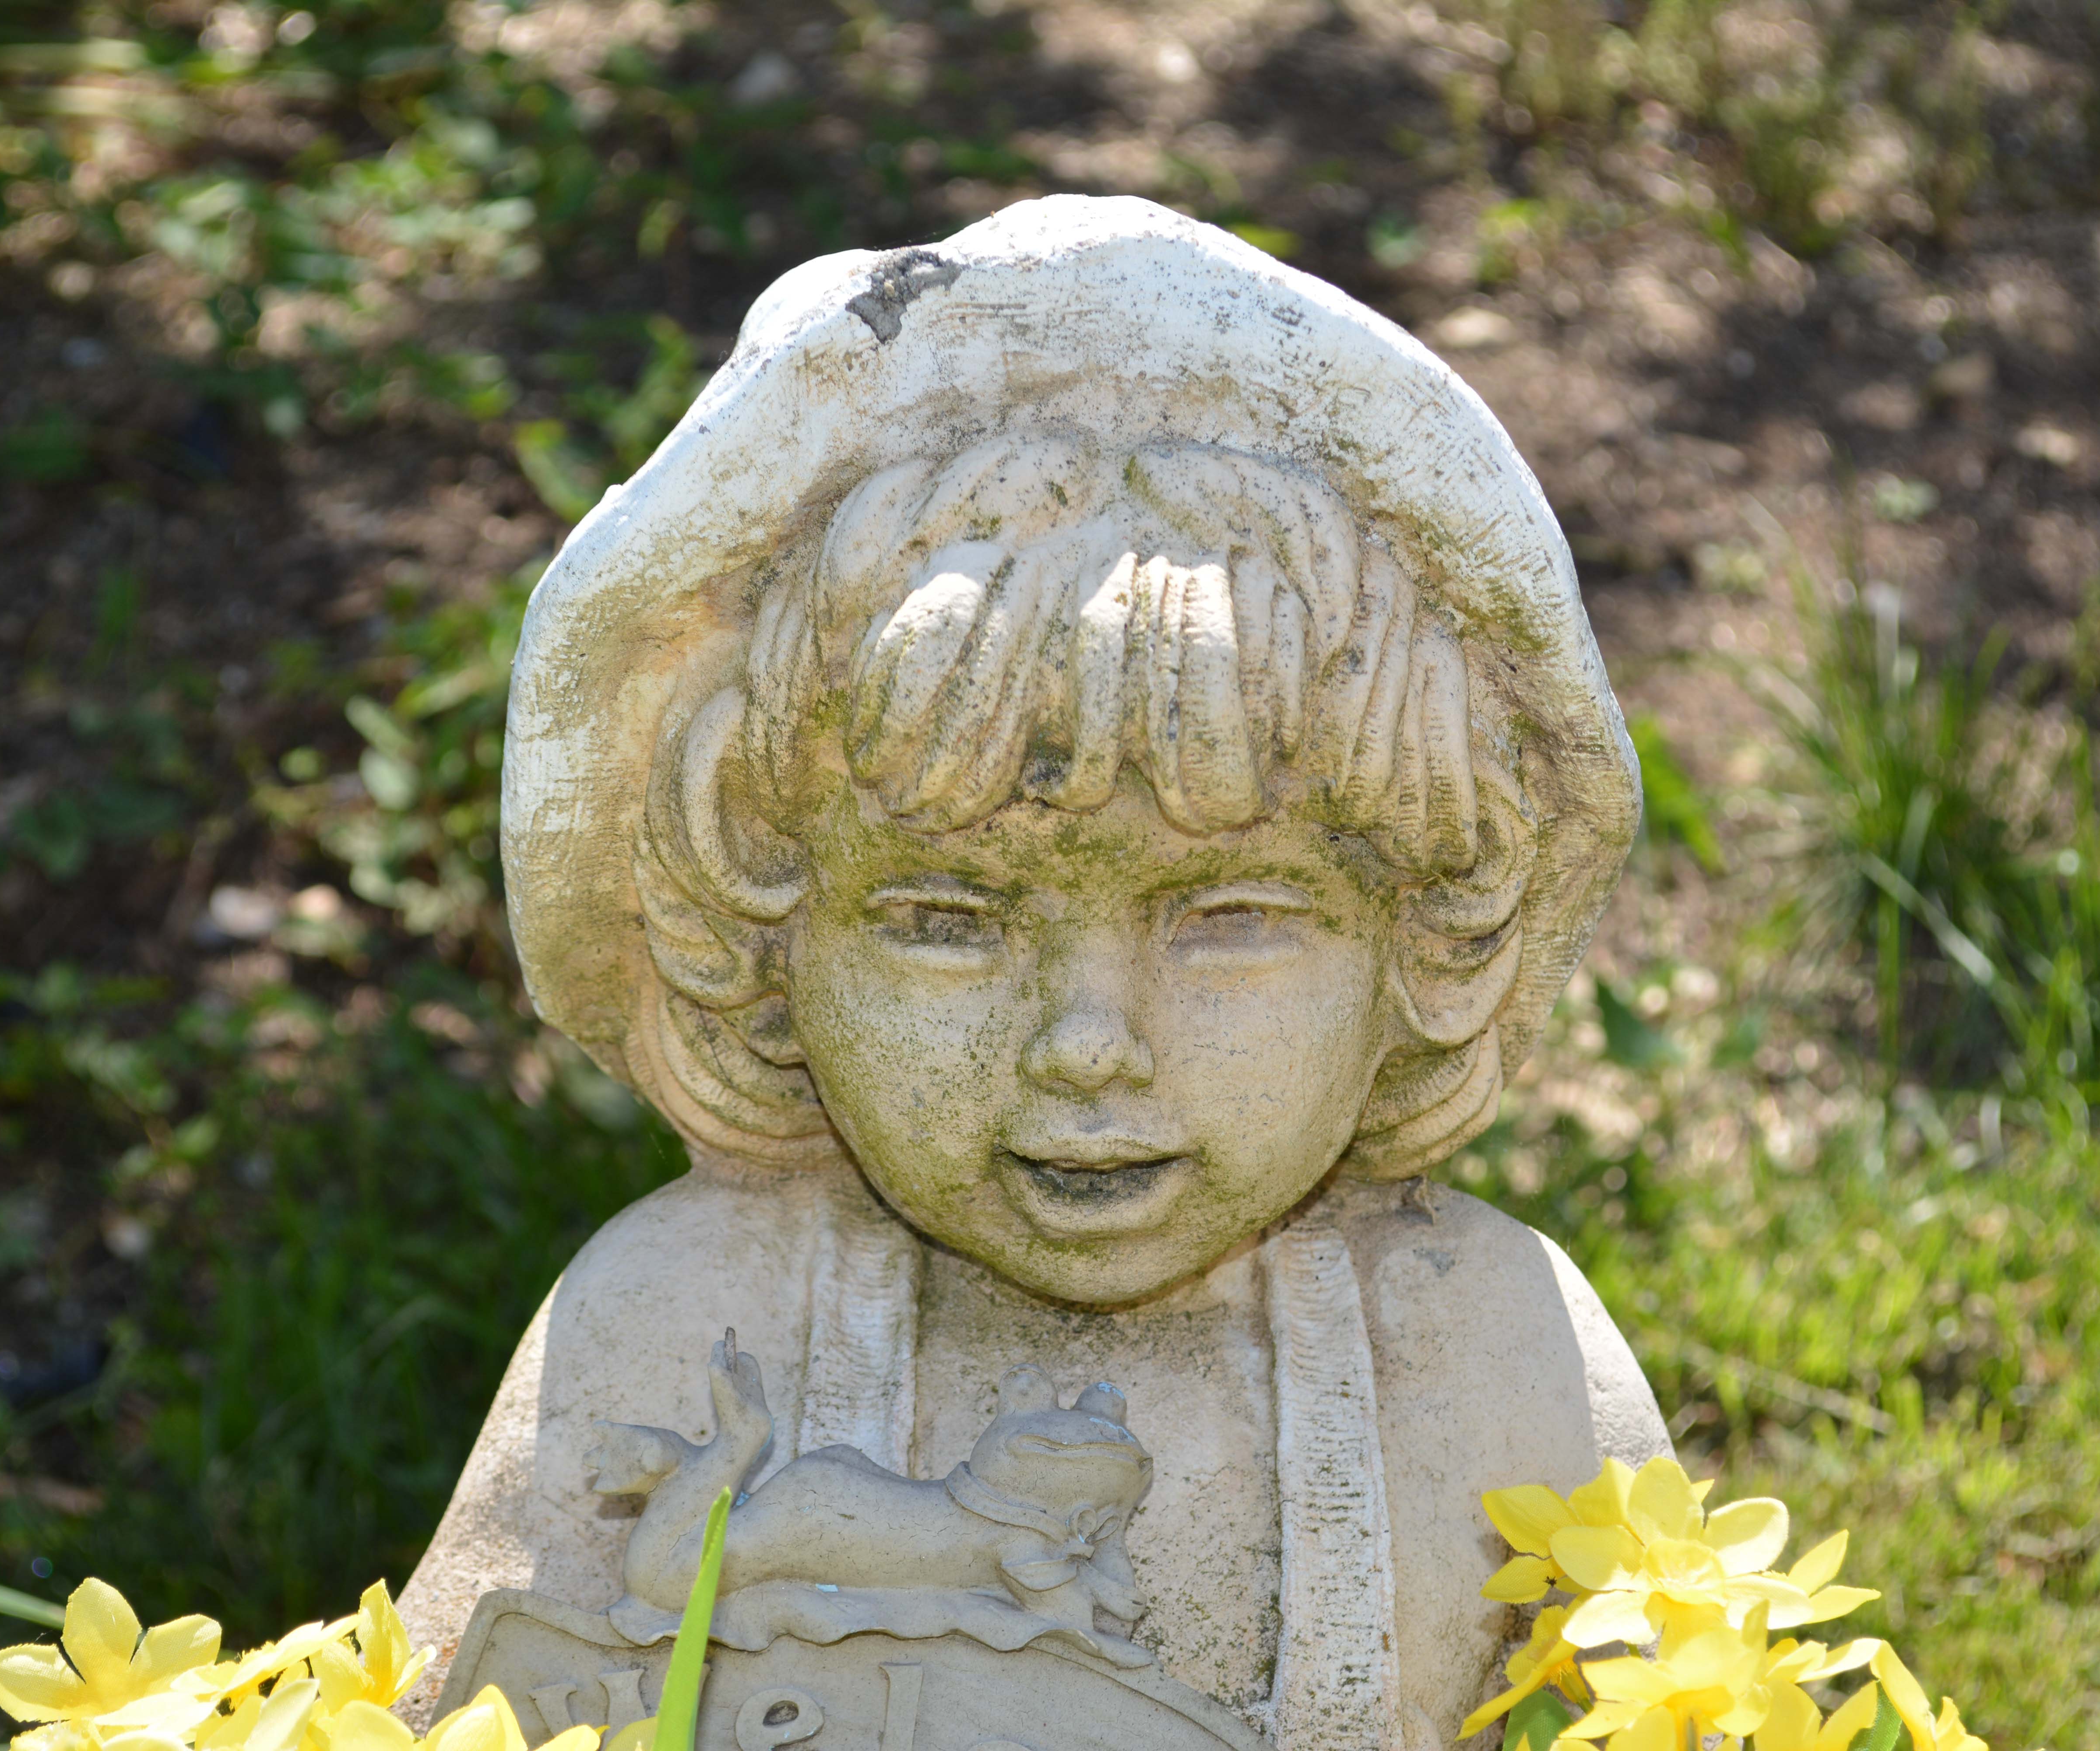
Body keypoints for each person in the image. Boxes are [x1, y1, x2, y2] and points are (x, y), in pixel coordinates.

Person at [395, 195, 1669, 1751]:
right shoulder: (688, 1322)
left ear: (1427, 936)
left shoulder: (1483, 1359)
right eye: (946, 921)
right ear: (760, 928)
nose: (1087, 1044)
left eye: (1235, 920)